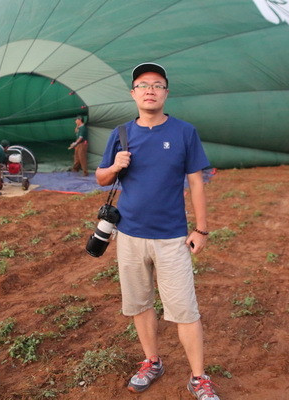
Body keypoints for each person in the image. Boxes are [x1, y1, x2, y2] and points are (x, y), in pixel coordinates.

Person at [96, 63, 219, 400]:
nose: (150, 90)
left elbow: (196, 181)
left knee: (184, 309)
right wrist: (115, 166)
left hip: (171, 238)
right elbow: (101, 178)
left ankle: (198, 378)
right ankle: (152, 361)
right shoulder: (120, 134)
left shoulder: (183, 132)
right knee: (139, 304)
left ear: (166, 93)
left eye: (157, 85)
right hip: (130, 236)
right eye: (142, 85)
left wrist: (202, 229)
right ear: (133, 93)